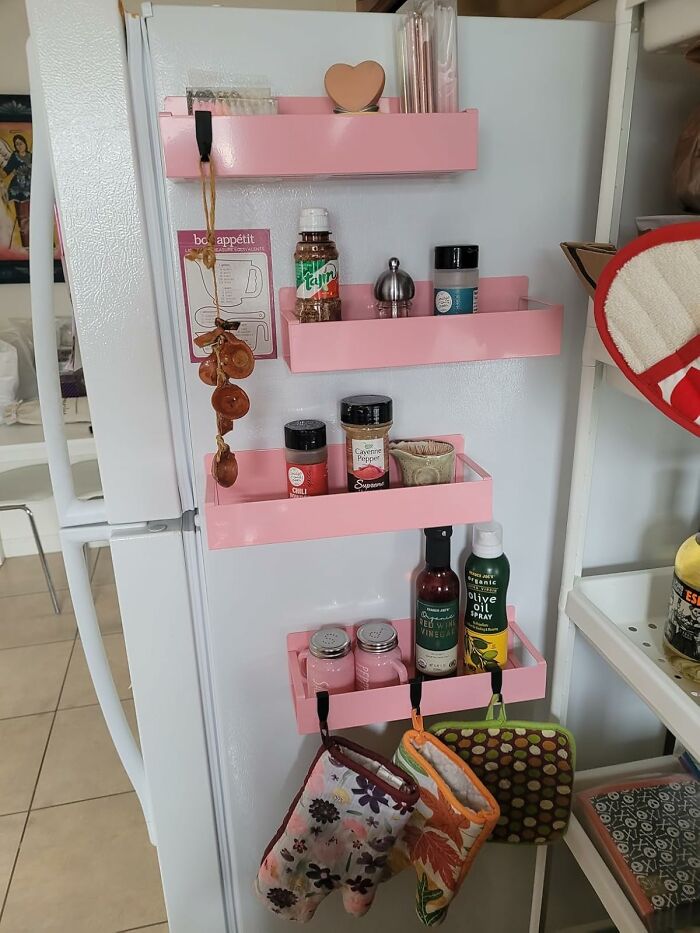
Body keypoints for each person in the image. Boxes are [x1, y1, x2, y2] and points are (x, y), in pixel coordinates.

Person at [1, 134, 32, 249]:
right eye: (16, 144)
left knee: (35, 216)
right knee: (23, 218)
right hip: (18, 192)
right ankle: (27, 244)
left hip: (33, 190)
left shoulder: (32, 156)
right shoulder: (14, 156)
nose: (19, 146)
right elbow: (6, 172)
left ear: (25, 143)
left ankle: (42, 242)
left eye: (21, 143)